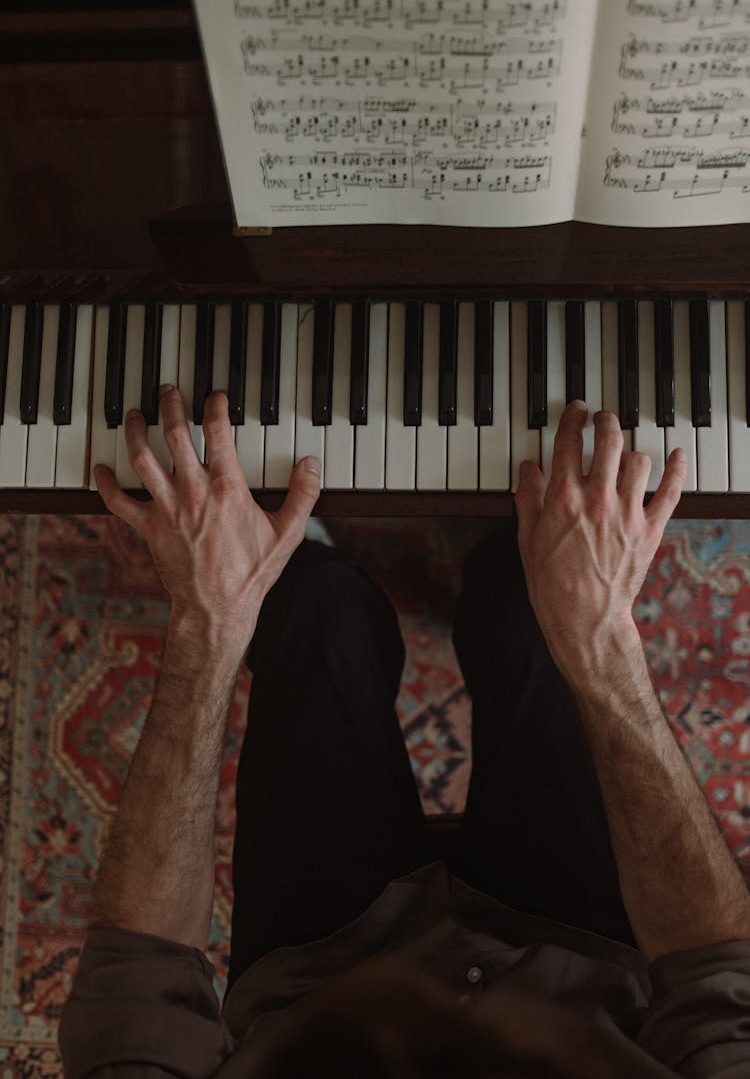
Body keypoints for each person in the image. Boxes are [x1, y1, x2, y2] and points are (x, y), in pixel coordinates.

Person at [58, 385, 750, 1078]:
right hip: (582, 961)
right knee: (525, 609)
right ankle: (505, 546)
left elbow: (137, 975)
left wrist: (209, 618)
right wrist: (599, 638)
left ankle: (290, 555)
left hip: (312, 973)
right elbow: (721, 975)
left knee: (313, 609)